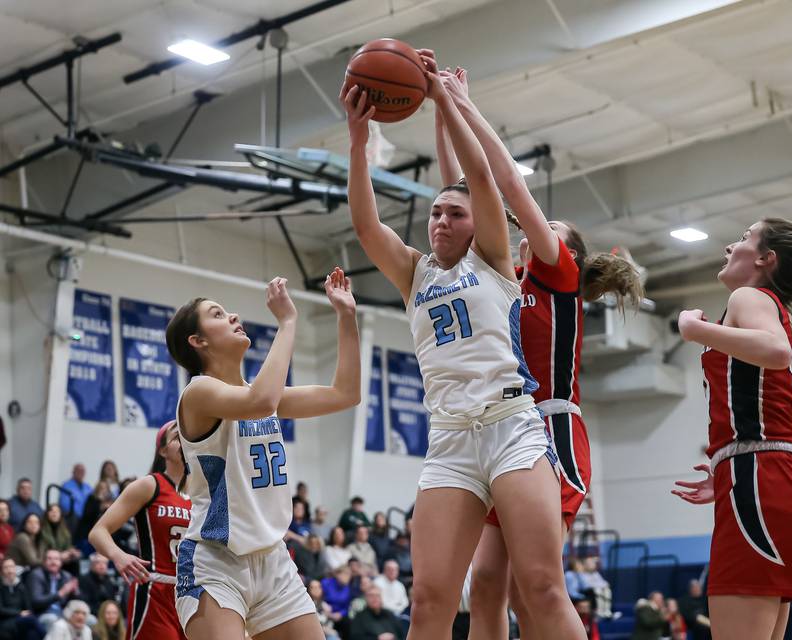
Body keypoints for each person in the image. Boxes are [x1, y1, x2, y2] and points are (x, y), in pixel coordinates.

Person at [343, 52, 586, 639]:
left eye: (454, 213)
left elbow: (480, 178)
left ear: (479, 223)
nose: (440, 221)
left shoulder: (497, 260)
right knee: (429, 600)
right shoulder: (414, 273)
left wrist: (445, 98)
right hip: (449, 437)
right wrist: (358, 141)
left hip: (511, 424)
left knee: (543, 588)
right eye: (433, 213)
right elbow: (368, 224)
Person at [432, 65, 641, 640]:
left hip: (550, 430)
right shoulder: (497, 277)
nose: (531, 228)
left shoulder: (556, 275)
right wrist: (440, 108)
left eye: (549, 226)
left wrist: (465, 104)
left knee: (539, 589)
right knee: (486, 588)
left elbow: (509, 188)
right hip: (496, 430)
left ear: (565, 251)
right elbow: (463, 189)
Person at [166, 268, 360, 640]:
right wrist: (287, 322)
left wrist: (346, 316)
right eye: (218, 315)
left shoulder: (259, 395)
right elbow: (261, 401)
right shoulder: (199, 393)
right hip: (215, 561)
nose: (233, 316)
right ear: (197, 341)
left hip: (272, 559)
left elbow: (345, 393)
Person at [674, 218, 792, 640]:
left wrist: (694, 329)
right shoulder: (773, 309)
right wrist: (730, 463)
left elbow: (777, 352)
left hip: (759, 480)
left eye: (745, 238)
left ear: (766, 259)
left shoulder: (750, 296)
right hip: (764, 474)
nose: (730, 245)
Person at [89, 421, 189, 640]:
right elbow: (98, 531)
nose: (185, 438)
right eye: (176, 436)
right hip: (156, 589)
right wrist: (119, 555)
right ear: (163, 451)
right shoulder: (150, 485)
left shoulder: (203, 493)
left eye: (188, 433)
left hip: (192, 593)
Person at [27, 550, 79, 630]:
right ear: (44, 562)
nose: (53, 562)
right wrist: (60, 594)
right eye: (49, 559)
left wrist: (74, 592)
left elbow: (75, 601)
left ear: (61, 562)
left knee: (89, 620)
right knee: (53, 620)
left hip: (63, 613)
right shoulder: (36, 575)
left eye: (56, 559)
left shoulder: (66, 576)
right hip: (43, 613)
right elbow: (36, 602)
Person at [0, 556, 45, 640]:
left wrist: (24, 614)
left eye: (12, 567)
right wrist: (19, 613)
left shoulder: (21, 587)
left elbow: (28, 608)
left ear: (15, 569)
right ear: (2, 571)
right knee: (32, 620)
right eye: (6, 567)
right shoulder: (1, 587)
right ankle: (47, 636)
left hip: (22, 620)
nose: (9, 571)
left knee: (33, 634)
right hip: (6, 621)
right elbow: (1, 610)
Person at [40, 505, 81, 574]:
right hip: (47, 559)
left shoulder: (64, 531)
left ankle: (74, 584)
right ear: (47, 514)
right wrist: (59, 555)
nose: (54, 513)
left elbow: (68, 546)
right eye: (51, 511)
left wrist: (71, 551)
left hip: (63, 560)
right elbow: (42, 551)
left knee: (75, 562)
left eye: (57, 511)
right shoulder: (41, 530)